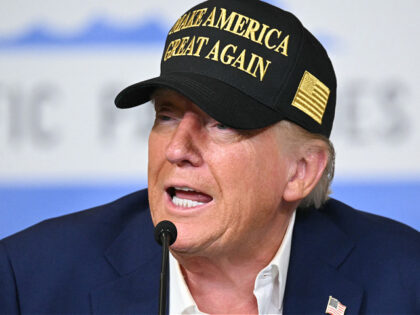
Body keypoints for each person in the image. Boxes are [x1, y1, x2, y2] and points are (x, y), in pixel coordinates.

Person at [1, 0, 419, 314]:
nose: (177, 148)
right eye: (166, 115)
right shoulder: (29, 280)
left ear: (301, 171)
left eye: (222, 124)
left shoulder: (404, 282)